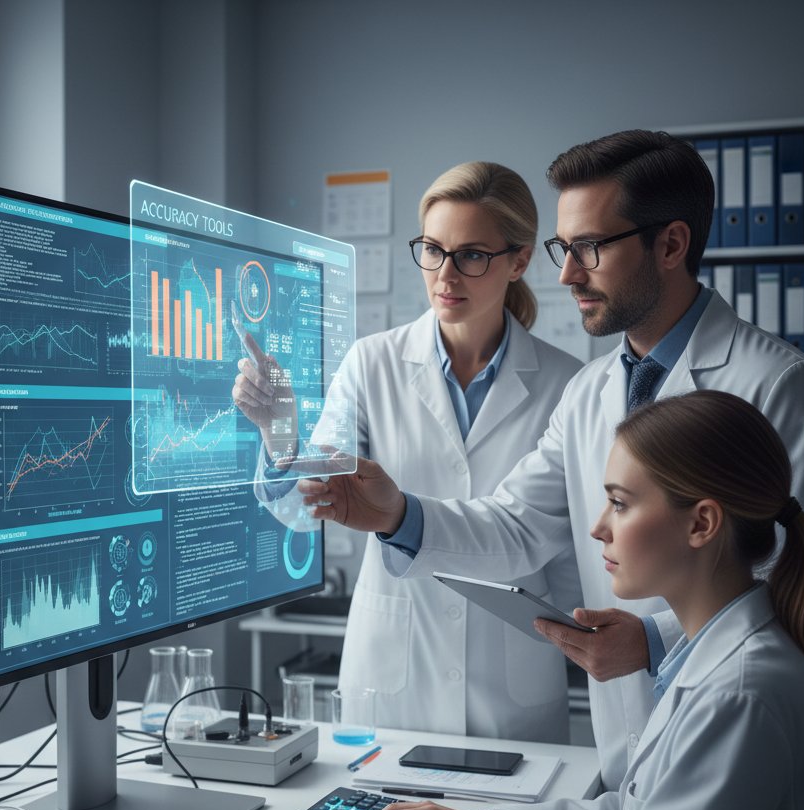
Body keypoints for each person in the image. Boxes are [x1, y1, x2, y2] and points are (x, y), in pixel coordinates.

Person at [295, 130, 804, 789]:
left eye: (589, 247)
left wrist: (654, 642)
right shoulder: (590, 395)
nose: (564, 274)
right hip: (625, 757)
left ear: (670, 244)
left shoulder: (779, 385)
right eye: (563, 247)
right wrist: (400, 515)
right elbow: (515, 527)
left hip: (749, 745)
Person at [298, 390, 804, 810]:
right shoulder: (723, 655)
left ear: (701, 524)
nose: (597, 528)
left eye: (619, 502)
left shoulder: (744, 696)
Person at [233, 162, 582, 741]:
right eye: (432, 250)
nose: (445, 274)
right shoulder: (373, 364)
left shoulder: (567, 383)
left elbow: (569, 562)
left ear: (519, 262)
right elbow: (308, 508)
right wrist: (281, 437)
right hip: (393, 682)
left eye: (471, 255)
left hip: (511, 690)